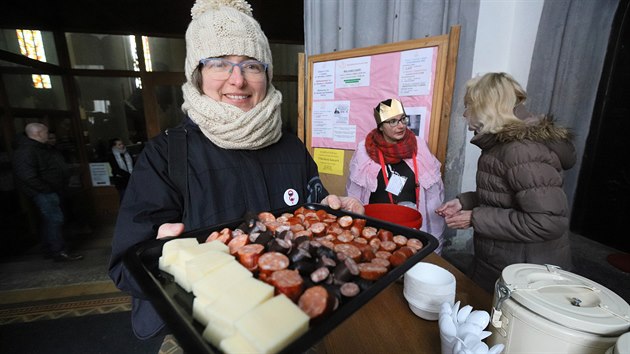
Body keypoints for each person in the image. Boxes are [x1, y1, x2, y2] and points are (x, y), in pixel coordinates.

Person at [108, 0, 363, 342]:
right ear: (197, 74)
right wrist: (158, 254)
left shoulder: (291, 148)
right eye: (219, 64)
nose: (238, 80)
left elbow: (313, 213)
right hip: (205, 333)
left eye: (252, 65)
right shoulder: (165, 154)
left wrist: (333, 215)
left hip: (293, 316)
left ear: (266, 75)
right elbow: (125, 269)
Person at [436, 72, 576, 293]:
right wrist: (465, 202)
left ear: (487, 108)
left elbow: (547, 222)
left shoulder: (521, 150)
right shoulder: (503, 144)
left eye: (469, 106)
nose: (465, 114)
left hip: (526, 273)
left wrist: (476, 217)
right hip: (505, 261)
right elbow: (507, 195)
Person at [346, 98, 446, 253]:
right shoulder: (364, 150)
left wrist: (433, 240)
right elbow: (354, 195)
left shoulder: (419, 146)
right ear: (380, 127)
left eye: (402, 119)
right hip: (375, 230)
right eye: (392, 121)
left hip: (412, 228)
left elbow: (434, 193)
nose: (400, 126)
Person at [12, 123, 83, 262]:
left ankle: (50, 248)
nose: (48, 136)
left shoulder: (41, 148)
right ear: (38, 133)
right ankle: (58, 250)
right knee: (55, 220)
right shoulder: (27, 151)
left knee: (51, 220)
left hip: (52, 190)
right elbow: (27, 176)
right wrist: (47, 189)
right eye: (45, 133)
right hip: (44, 192)